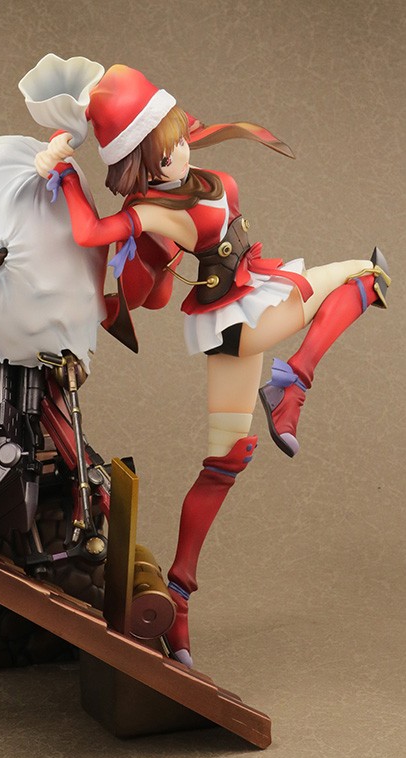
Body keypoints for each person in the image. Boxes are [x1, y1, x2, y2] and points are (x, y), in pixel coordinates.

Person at [21, 55, 390, 667]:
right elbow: (89, 234)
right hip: (244, 321)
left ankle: (179, 592)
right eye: (164, 154)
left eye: (178, 141)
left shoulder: (194, 178)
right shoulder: (154, 210)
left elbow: (183, 171)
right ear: (141, 164)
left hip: (242, 314)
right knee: (365, 275)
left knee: (225, 462)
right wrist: (64, 175)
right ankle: (293, 380)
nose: (179, 155)